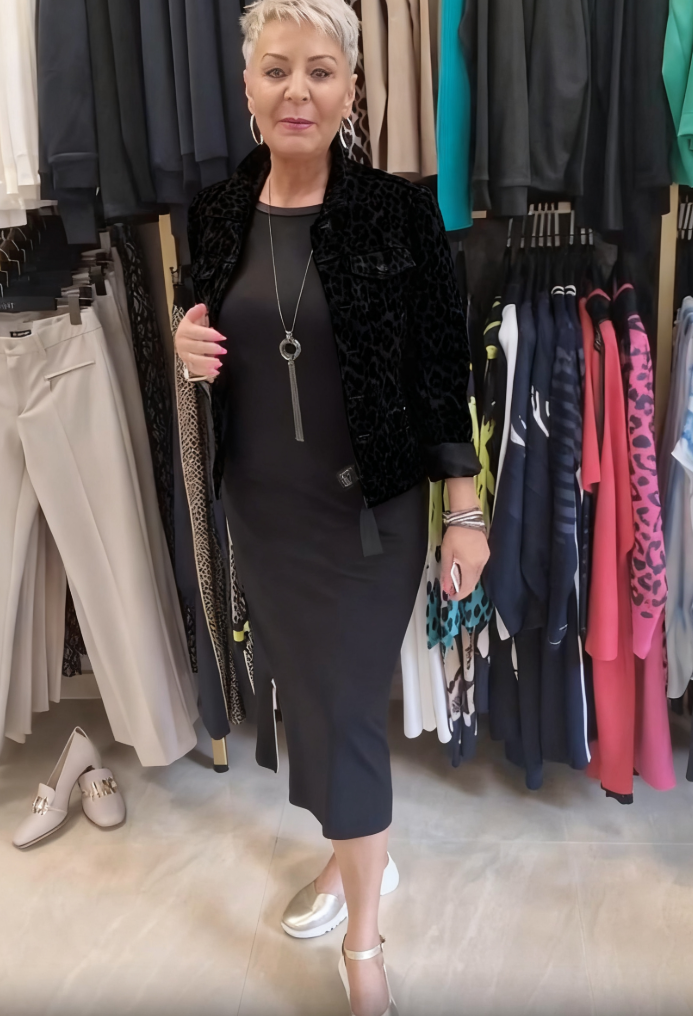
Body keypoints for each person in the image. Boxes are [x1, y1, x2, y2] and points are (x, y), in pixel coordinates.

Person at [174, 1, 489, 1012]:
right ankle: (352, 854)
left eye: (319, 70)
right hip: (263, 515)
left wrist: (465, 511)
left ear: (353, 89)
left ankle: (363, 946)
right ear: (247, 85)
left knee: (346, 708)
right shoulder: (216, 212)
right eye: (276, 70)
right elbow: (201, 331)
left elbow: (440, 369)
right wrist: (184, 349)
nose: (297, 91)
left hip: (367, 523)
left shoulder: (398, 213)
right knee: (310, 701)